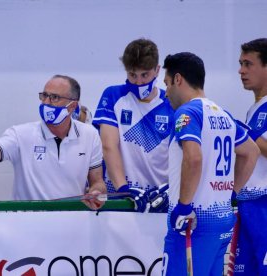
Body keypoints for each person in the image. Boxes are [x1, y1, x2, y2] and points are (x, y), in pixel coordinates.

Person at [161, 52, 259, 276]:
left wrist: (184, 206)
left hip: (193, 224)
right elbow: (251, 152)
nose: (166, 92)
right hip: (222, 220)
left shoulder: (188, 112)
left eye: (166, 84)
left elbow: (193, 158)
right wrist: (231, 193)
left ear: (178, 79)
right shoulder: (222, 113)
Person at [0, 75, 106, 210]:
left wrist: (96, 192)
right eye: (44, 96)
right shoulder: (20, 134)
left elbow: (97, 181)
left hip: (73, 222)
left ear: (72, 106)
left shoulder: (90, 134)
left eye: (54, 97)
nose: (46, 102)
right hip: (29, 224)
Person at [92, 38, 174, 212]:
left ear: (157, 71)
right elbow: (108, 146)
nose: (138, 82)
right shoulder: (113, 95)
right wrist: (123, 189)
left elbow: (182, 154)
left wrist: (171, 189)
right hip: (121, 196)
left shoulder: (171, 102)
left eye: (144, 75)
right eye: (132, 74)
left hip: (158, 199)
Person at [234, 38, 267, 275]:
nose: (241, 70)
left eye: (248, 64)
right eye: (240, 63)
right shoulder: (254, 108)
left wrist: (246, 133)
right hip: (248, 204)